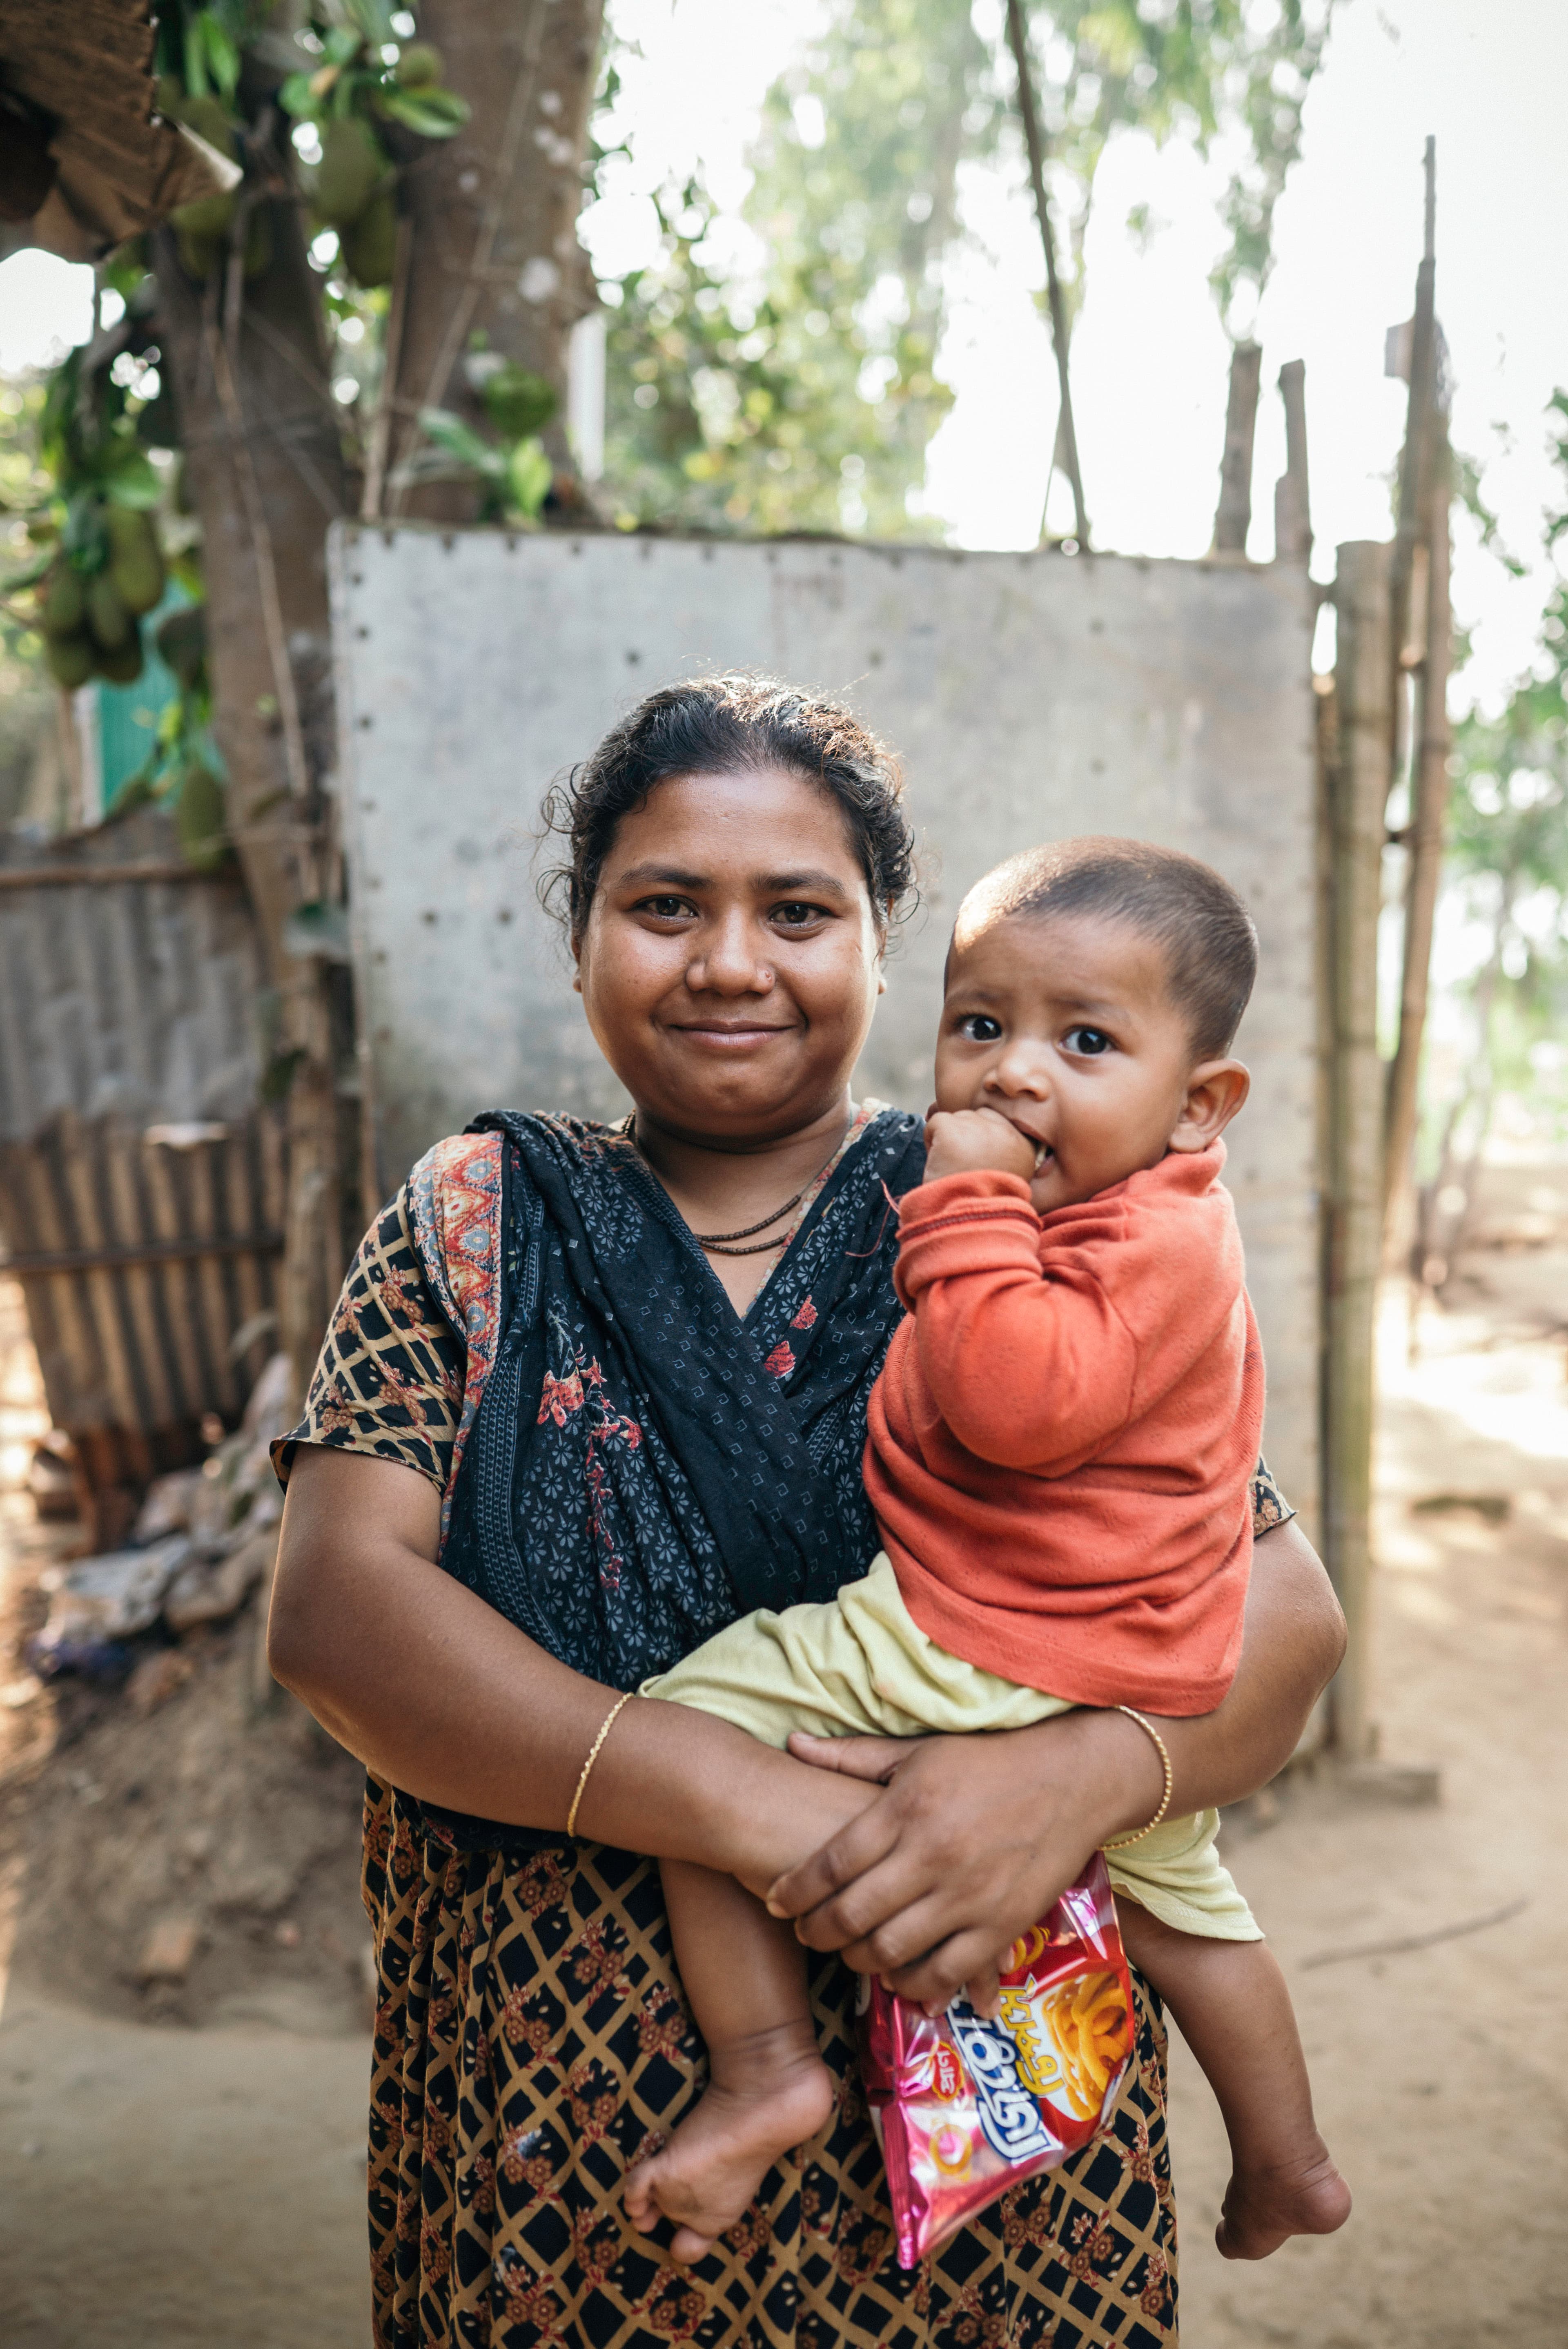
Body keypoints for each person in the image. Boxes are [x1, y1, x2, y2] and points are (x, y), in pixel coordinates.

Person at [268, 675, 1346, 2349]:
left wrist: (1076, 1776)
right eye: (664, 905)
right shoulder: (477, 1222)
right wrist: (761, 1811)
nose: (729, 962)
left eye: (797, 911)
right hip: (568, 2142)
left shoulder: (1022, 1195)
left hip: (995, 2139)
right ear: (582, 939)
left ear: (876, 947)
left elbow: (1282, 1610)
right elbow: (339, 1614)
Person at [626, 836, 1351, 2268]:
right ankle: (1292, 2162)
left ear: (1200, 1104)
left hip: (981, 1636)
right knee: (1189, 1914)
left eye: (1085, 1041)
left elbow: (1017, 1408)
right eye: (983, 1027)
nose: (1017, 1073)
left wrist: (962, 1207)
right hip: (1127, 1659)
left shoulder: (1129, 1239)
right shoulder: (1140, 1215)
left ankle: (768, 2067)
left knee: (684, 1735)